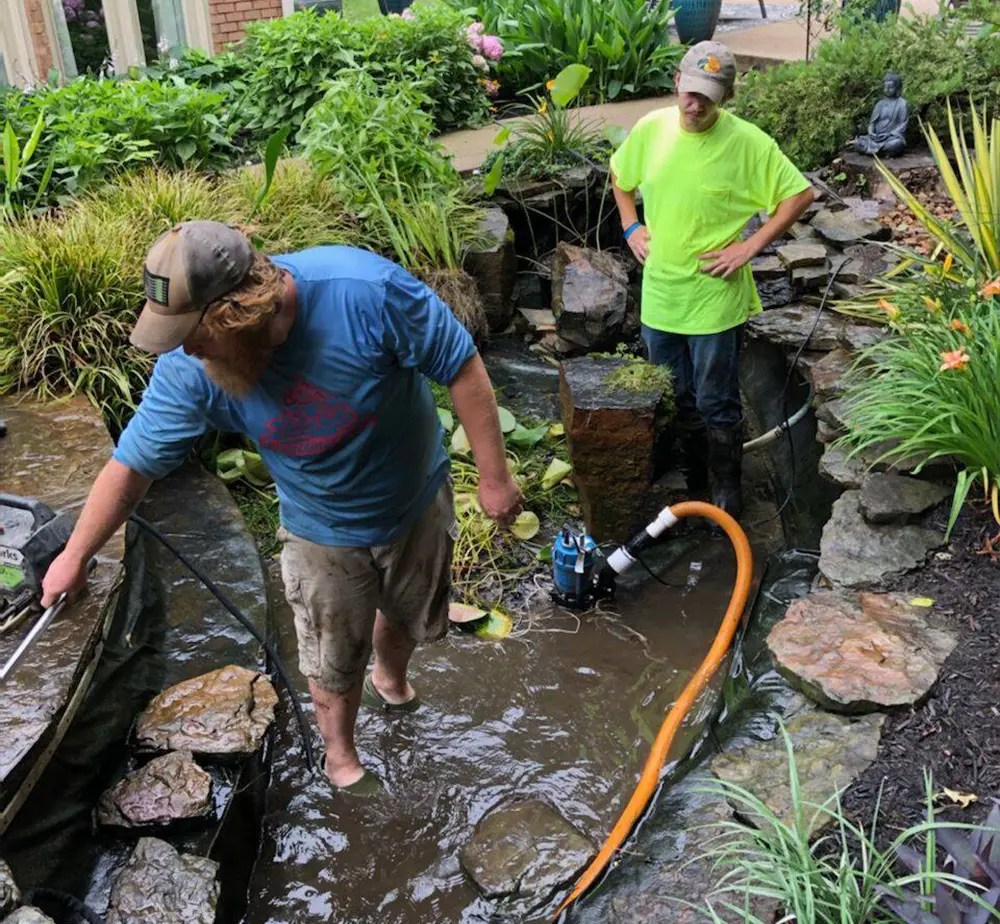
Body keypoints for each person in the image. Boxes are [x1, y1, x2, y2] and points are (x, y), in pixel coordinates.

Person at [40, 222, 523, 793]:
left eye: (194, 333)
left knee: (408, 613)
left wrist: (494, 478)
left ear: (238, 313)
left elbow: (460, 366)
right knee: (330, 653)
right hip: (321, 527)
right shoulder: (191, 370)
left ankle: (390, 680)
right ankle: (340, 758)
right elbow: (133, 465)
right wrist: (75, 554)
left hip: (417, 497)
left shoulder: (365, 291)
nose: (185, 348)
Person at [610, 41, 814, 519]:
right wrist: (631, 225)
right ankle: (691, 478)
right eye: (691, 92)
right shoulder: (651, 129)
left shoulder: (748, 144)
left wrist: (749, 247)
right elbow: (621, 178)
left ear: (726, 97)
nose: (696, 104)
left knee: (715, 400)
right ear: (677, 83)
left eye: (710, 96)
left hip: (714, 297)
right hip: (661, 291)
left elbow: (798, 195)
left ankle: (726, 484)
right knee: (673, 392)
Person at [850, 72, 909, 157]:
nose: (887, 90)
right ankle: (881, 152)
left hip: (890, 138)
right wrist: (871, 132)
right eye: (885, 87)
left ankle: (878, 151)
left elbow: (903, 125)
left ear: (897, 88)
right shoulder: (880, 104)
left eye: (891, 87)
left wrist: (889, 134)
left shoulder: (902, 104)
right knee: (857, 142)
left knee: (897, 144)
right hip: (876, 138)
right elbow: (872, 123)